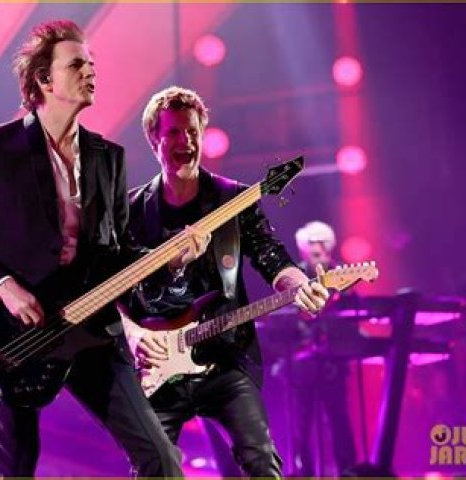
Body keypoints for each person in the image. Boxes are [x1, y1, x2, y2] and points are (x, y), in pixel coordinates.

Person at [0, 20, 206, 478]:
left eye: (92, 64)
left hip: (92, 330)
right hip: (18, 335)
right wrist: (5, 288)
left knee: (162, 459)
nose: (91, 71)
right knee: (14, 468)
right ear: (44, 79)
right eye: (77, 64)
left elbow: (120, 254)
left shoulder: (109, 157)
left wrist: (170, 262)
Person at [118, 86, 330, 478]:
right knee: (153, 468)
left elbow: (271, 256)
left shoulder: (233, 200)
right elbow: (113, 289)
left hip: (226, 359)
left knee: (261, 460)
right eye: (174, 132)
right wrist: (132, 334)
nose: (186, 141)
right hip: (158, 369)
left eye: (193, 131)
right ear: (153, 140)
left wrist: (298, 285)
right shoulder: (131, 211)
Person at [288, 220, 357, 476]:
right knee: (301, 424)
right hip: (301, 363)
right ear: (303, 248)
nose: (317, 248)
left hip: (333, 363)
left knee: (339, 419)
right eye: (312, 243)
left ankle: (348, 471)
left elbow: (353, 316)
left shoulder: (343, 276)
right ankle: (303, 472)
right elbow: (285, 316)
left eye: (322, 242)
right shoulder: (293, 276)